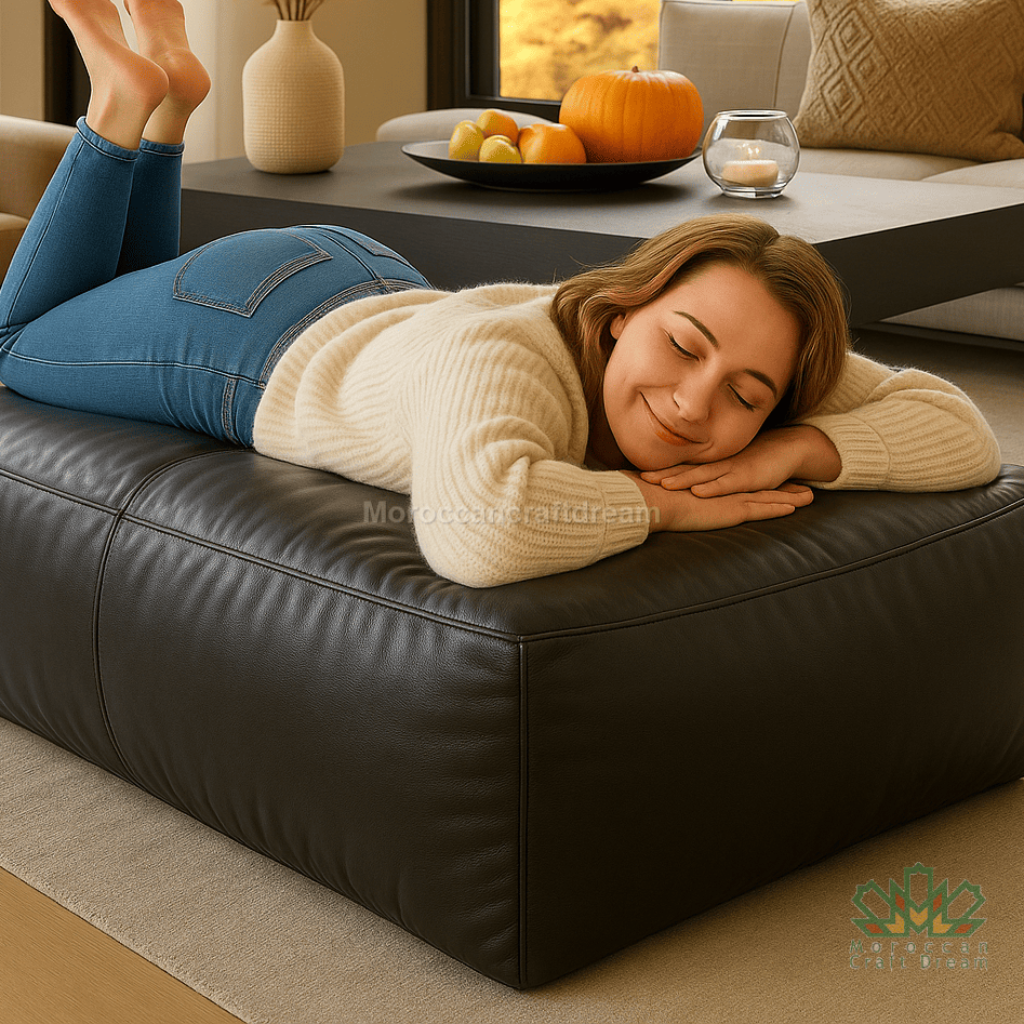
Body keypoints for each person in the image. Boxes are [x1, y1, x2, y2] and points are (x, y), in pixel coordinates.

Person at [0, 1, 1002, 588]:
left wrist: (797, 445)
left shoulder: (747, 360)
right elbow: (478, 531)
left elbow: (962, 434)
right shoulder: (514, 355)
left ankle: (172, 102)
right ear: (618, 315)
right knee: (13, 346)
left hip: (362, 279)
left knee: (111, 290)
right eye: (684, 348)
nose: (700, 404)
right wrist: (662, 506)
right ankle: (124, 101)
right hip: (249, 336)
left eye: (747, 394)